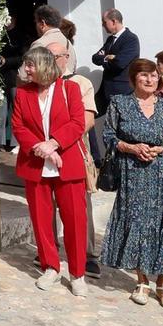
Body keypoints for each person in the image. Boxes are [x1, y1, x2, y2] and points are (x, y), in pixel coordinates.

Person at [99, 58, 163, 306]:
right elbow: (109, 136)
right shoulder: (120, 104)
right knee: (138, 224)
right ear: (133, 78)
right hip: (133, 172)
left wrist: (160, 150)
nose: (150, 80)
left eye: (154, 76)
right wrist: (131, 147)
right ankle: (142, 280)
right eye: (144, 76)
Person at [12, 46, 89, 294]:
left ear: (44, 65)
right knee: (41, 219)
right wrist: (40, 148)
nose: (27, 70)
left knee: (75, 219)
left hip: (68, 164)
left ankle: (77, 274)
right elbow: (19, 126)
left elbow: (78, 123)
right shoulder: (23, 93)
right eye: (26, 65)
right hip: (36, 164)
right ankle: (51, 267)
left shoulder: (70, 89)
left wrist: (54, 143)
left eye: (31, 65)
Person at [58, 21, 100, 275]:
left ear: (68, 56)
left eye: (59, 55)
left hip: (73, 149)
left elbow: (86, 121)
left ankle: (88, 253)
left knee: (80, 203)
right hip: (48, 152)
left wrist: (56, 140)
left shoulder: (80, 83)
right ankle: (49, 249)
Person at [92, 9, 140, 105]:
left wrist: (106, 59)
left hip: (123, 91)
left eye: (104, 22)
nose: (102, 25)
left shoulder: (130, 39)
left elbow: (119, 63)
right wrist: (107, 58)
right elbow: (95, 58)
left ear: (114, 21)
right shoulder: (110, 39)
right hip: (107, 91)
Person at [0, 13, 24, 150]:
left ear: (14, 19)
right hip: (0, 79)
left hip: (14, 79)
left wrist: (6, 61)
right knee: (1, 113)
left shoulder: (19, 36)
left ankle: (16, 143)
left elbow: (22, 58)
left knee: (16, 112)